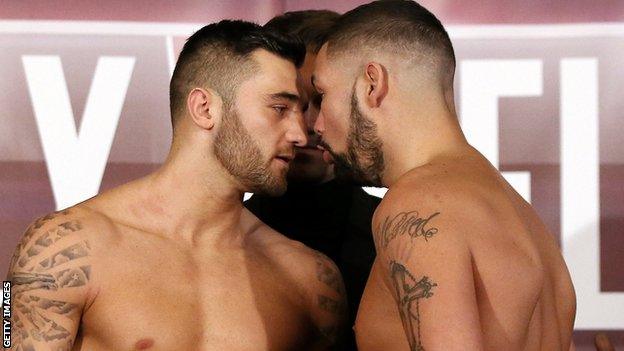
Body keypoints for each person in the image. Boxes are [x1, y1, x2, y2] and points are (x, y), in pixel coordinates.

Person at [6, 20, 346, 350]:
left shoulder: (309, 278)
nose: (301, 134)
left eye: (301, 111)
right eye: (279, 108)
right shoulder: (66, 248)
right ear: (204, 108)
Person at [311, 1, 576, 350]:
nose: (315, 126)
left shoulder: (419, 203)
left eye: (322, 95)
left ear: (371, 84)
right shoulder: (523, 218)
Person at [244, 10, 380, 351]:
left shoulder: (396, 237)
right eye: (284, 104)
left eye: (321, 99)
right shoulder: (220, 238)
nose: (306, 126)